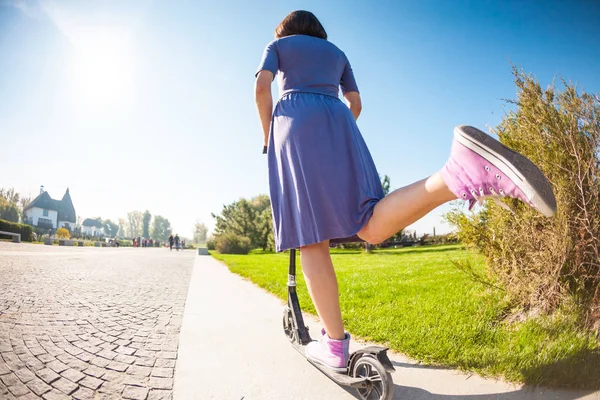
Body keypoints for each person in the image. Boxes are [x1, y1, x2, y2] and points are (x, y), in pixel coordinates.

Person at [254, 10, 556, 373]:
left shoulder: (278, 45)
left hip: (294, 122)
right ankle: (456, 174)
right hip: (339, 121)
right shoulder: (337, 54)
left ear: (285, 31)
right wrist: (335, 129)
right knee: (368, 221)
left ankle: (334, 346)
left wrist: (269, 136)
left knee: (311, 240)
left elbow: (262, 88)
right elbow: (356, 103)